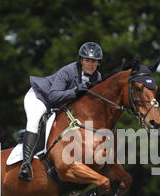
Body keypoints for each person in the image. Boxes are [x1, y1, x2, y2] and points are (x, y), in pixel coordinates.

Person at [18, 42, 103, 181]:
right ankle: (26, 165)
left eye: (94, 61)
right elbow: (53, 96)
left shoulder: (97, 78)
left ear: (98, 63)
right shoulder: (68, 71)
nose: (91, 64)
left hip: (59, 105)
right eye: (87, 60)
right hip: (40, 97)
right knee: (34, 121)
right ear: (81, 60)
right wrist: (75, 91)